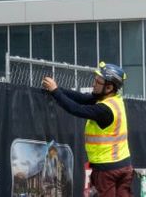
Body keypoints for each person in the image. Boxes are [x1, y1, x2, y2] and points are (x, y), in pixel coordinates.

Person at [42, 62, 134, 197]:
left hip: (106, 170)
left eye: (98, 82)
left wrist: (56, 92)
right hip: (124, 167)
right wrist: (56, 89)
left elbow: (76, 109)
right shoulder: (114, 100)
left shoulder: (104, 110)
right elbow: (82, 98)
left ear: (109, 87)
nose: (93, 84)